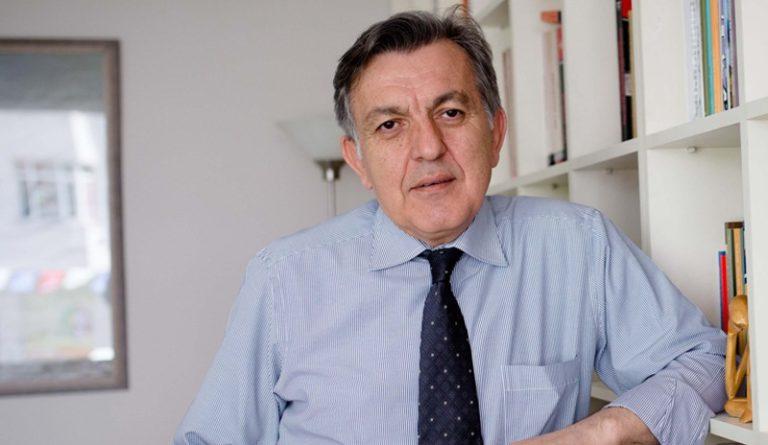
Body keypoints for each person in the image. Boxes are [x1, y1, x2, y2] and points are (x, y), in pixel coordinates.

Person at [175, 8, 726, 445]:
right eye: (390, 125)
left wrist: (598, 433)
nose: (428, 148)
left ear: (495, 132)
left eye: (451, 113)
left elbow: (706, 361)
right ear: (358, 160)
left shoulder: (579, 245)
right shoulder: (283, 278)